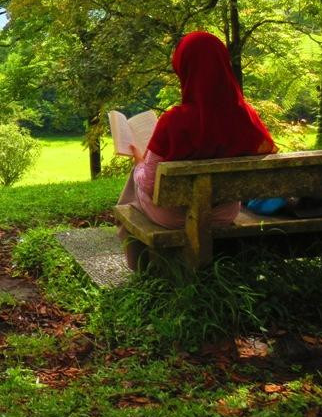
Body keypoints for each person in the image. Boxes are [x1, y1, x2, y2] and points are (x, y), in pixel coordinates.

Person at [118, 31, 276, 268]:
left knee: (136, 181)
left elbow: (150, 184)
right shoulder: (246, 117)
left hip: (175, 217)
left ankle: (141, 264)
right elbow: (267, 158)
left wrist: (140, 162)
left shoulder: (174, 121)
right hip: (224, 213)